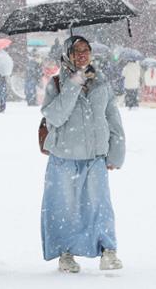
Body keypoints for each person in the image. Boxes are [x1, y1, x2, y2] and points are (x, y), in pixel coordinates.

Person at [40, 35, 125, 273]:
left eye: (86, 49)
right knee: (63, 208)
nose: (82, 54)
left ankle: (108, 251)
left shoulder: (101, 83)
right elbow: (54, 117)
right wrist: (73, 85)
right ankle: (65, 253)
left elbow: (113, 119)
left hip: (95, 156)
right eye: (76, 51)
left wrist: (116, 152)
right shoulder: (56, 83)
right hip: (64, 157)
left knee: (100, 205)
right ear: (67, 55)